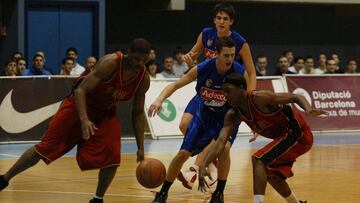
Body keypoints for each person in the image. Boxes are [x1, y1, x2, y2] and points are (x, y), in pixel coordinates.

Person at [0, 38, 152, 203]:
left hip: (105, 112)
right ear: (128, 52)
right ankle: (5, 178)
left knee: (113, 157)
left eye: (144, 61)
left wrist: (141, 147)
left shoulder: (143, 78)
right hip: (78, 104)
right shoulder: (111, 62)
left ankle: (98, 199)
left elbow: (137, 113)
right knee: (44, 149)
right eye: (137, 59)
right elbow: (80, 91)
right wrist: (84, 119)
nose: (140, 64)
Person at [198, 73, 328, 203]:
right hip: (286, 137)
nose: (225, 95)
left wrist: (308, 109)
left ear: (242, 88)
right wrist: (204, 164)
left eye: (228, 90)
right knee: (270, 174)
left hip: (298, 133)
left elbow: (296, 96)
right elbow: (220, 142)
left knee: (258, 160)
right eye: (223, 91)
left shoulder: (259, 98)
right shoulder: (232, 114)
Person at [148, 37, 247, 203]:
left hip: (227, 118)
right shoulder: (203, 69)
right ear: (216, 54)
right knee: (182, 154)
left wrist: (255, 121)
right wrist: (159, 99)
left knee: (224, 150)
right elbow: (175, 85)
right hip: (204, 116)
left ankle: (218, 194)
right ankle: (162, 194)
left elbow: (248, 98)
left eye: (232, 55)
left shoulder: (238, 72)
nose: (230, 59)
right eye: (226, 55)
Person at [178, 2, 257, 190]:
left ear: (231, 22)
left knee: (218, 138)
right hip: (207, 88)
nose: (221, 22)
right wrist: (188, 57)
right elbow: (193, 54)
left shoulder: (240, 42)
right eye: (219, 18)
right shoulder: (206, 34)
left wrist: (250, 99)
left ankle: (196, 168)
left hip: (225, 93)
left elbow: (252, 73)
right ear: (214, 20)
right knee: (184, 125)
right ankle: (212, 158)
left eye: (225, 19)